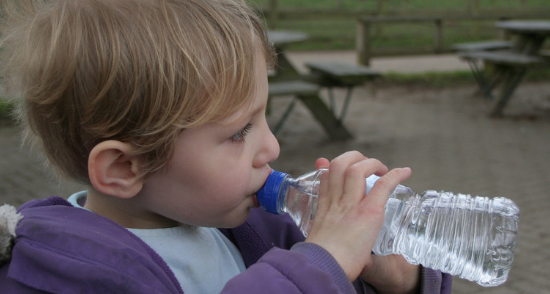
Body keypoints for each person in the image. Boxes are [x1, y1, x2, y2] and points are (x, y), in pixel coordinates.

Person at [0, 0, 451, 293]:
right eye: (240, 132)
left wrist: (397, 281)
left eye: (263, 118)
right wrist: (323, 261)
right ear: (124, 167)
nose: (271, 147)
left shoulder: (252, 230)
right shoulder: (68, 270)